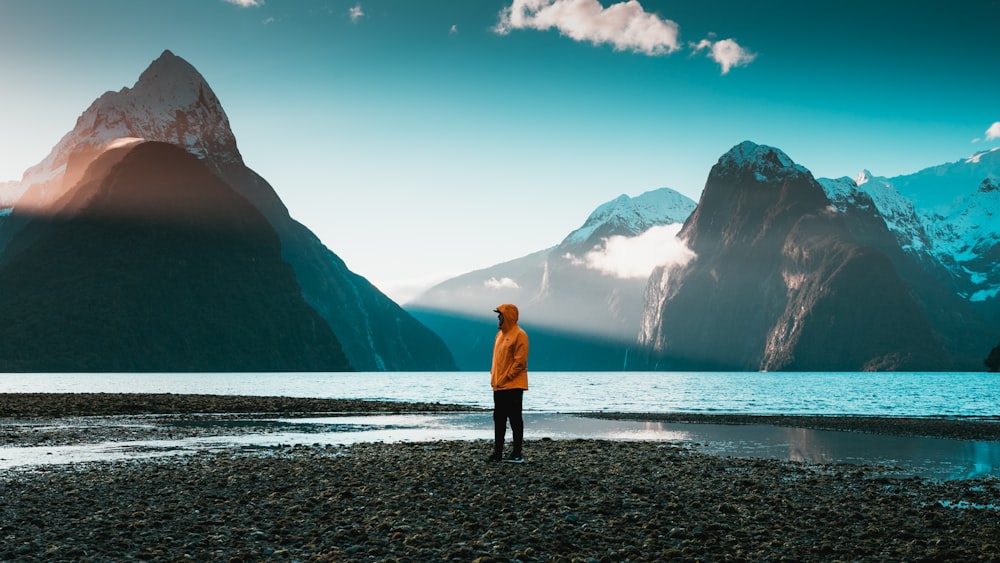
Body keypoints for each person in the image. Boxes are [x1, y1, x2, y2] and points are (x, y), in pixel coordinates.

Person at [488, 303, 529, 463]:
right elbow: (497, 361)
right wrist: (494, 377)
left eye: (501, 314)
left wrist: (506, 377)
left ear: (508, 316)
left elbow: (520, 362)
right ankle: (497, 453)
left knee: (514, 419)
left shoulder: (520, 335)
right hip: (499, 386)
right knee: (499, 419)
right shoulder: (499, 336)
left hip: (513, 385)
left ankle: (517, 454)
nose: (498, 317)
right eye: (498, 315)